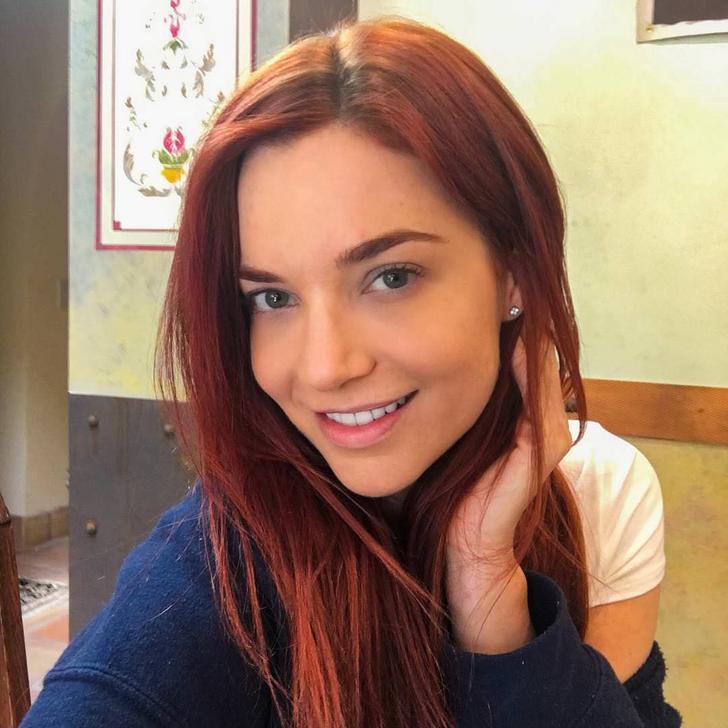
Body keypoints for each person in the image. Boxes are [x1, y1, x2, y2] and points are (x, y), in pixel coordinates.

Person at [21, 16, 682, 728]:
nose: (325, 367)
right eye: (272, 298)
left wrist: (488, 583)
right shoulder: (216, 562)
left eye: (390, 276)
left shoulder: (600, 493)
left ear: (513, 273)